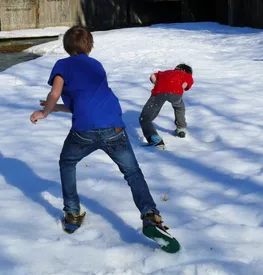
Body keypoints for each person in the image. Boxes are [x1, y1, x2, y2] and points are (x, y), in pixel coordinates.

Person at [29, 26, 165, 235]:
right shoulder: (96, 66)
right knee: (132, 172)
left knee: (67, 162)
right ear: (90, 46)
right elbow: (88, 102)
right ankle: (150, 215)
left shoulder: (62, 65)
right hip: (114, 126)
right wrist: (56, 108)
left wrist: (45, 112)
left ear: (66, 47)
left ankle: (72, 213)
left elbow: (55, 92)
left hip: (84, 131)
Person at [139, 64, 194, 148]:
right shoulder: (187, 75)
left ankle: (154, 139)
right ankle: (181, 128)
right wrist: (177, 86)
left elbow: (152, 76)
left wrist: (159, 84)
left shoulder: (165, 73)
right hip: (176, 93)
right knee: (179, 106)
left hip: (160, 92)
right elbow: (184, 85)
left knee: (145, 118)